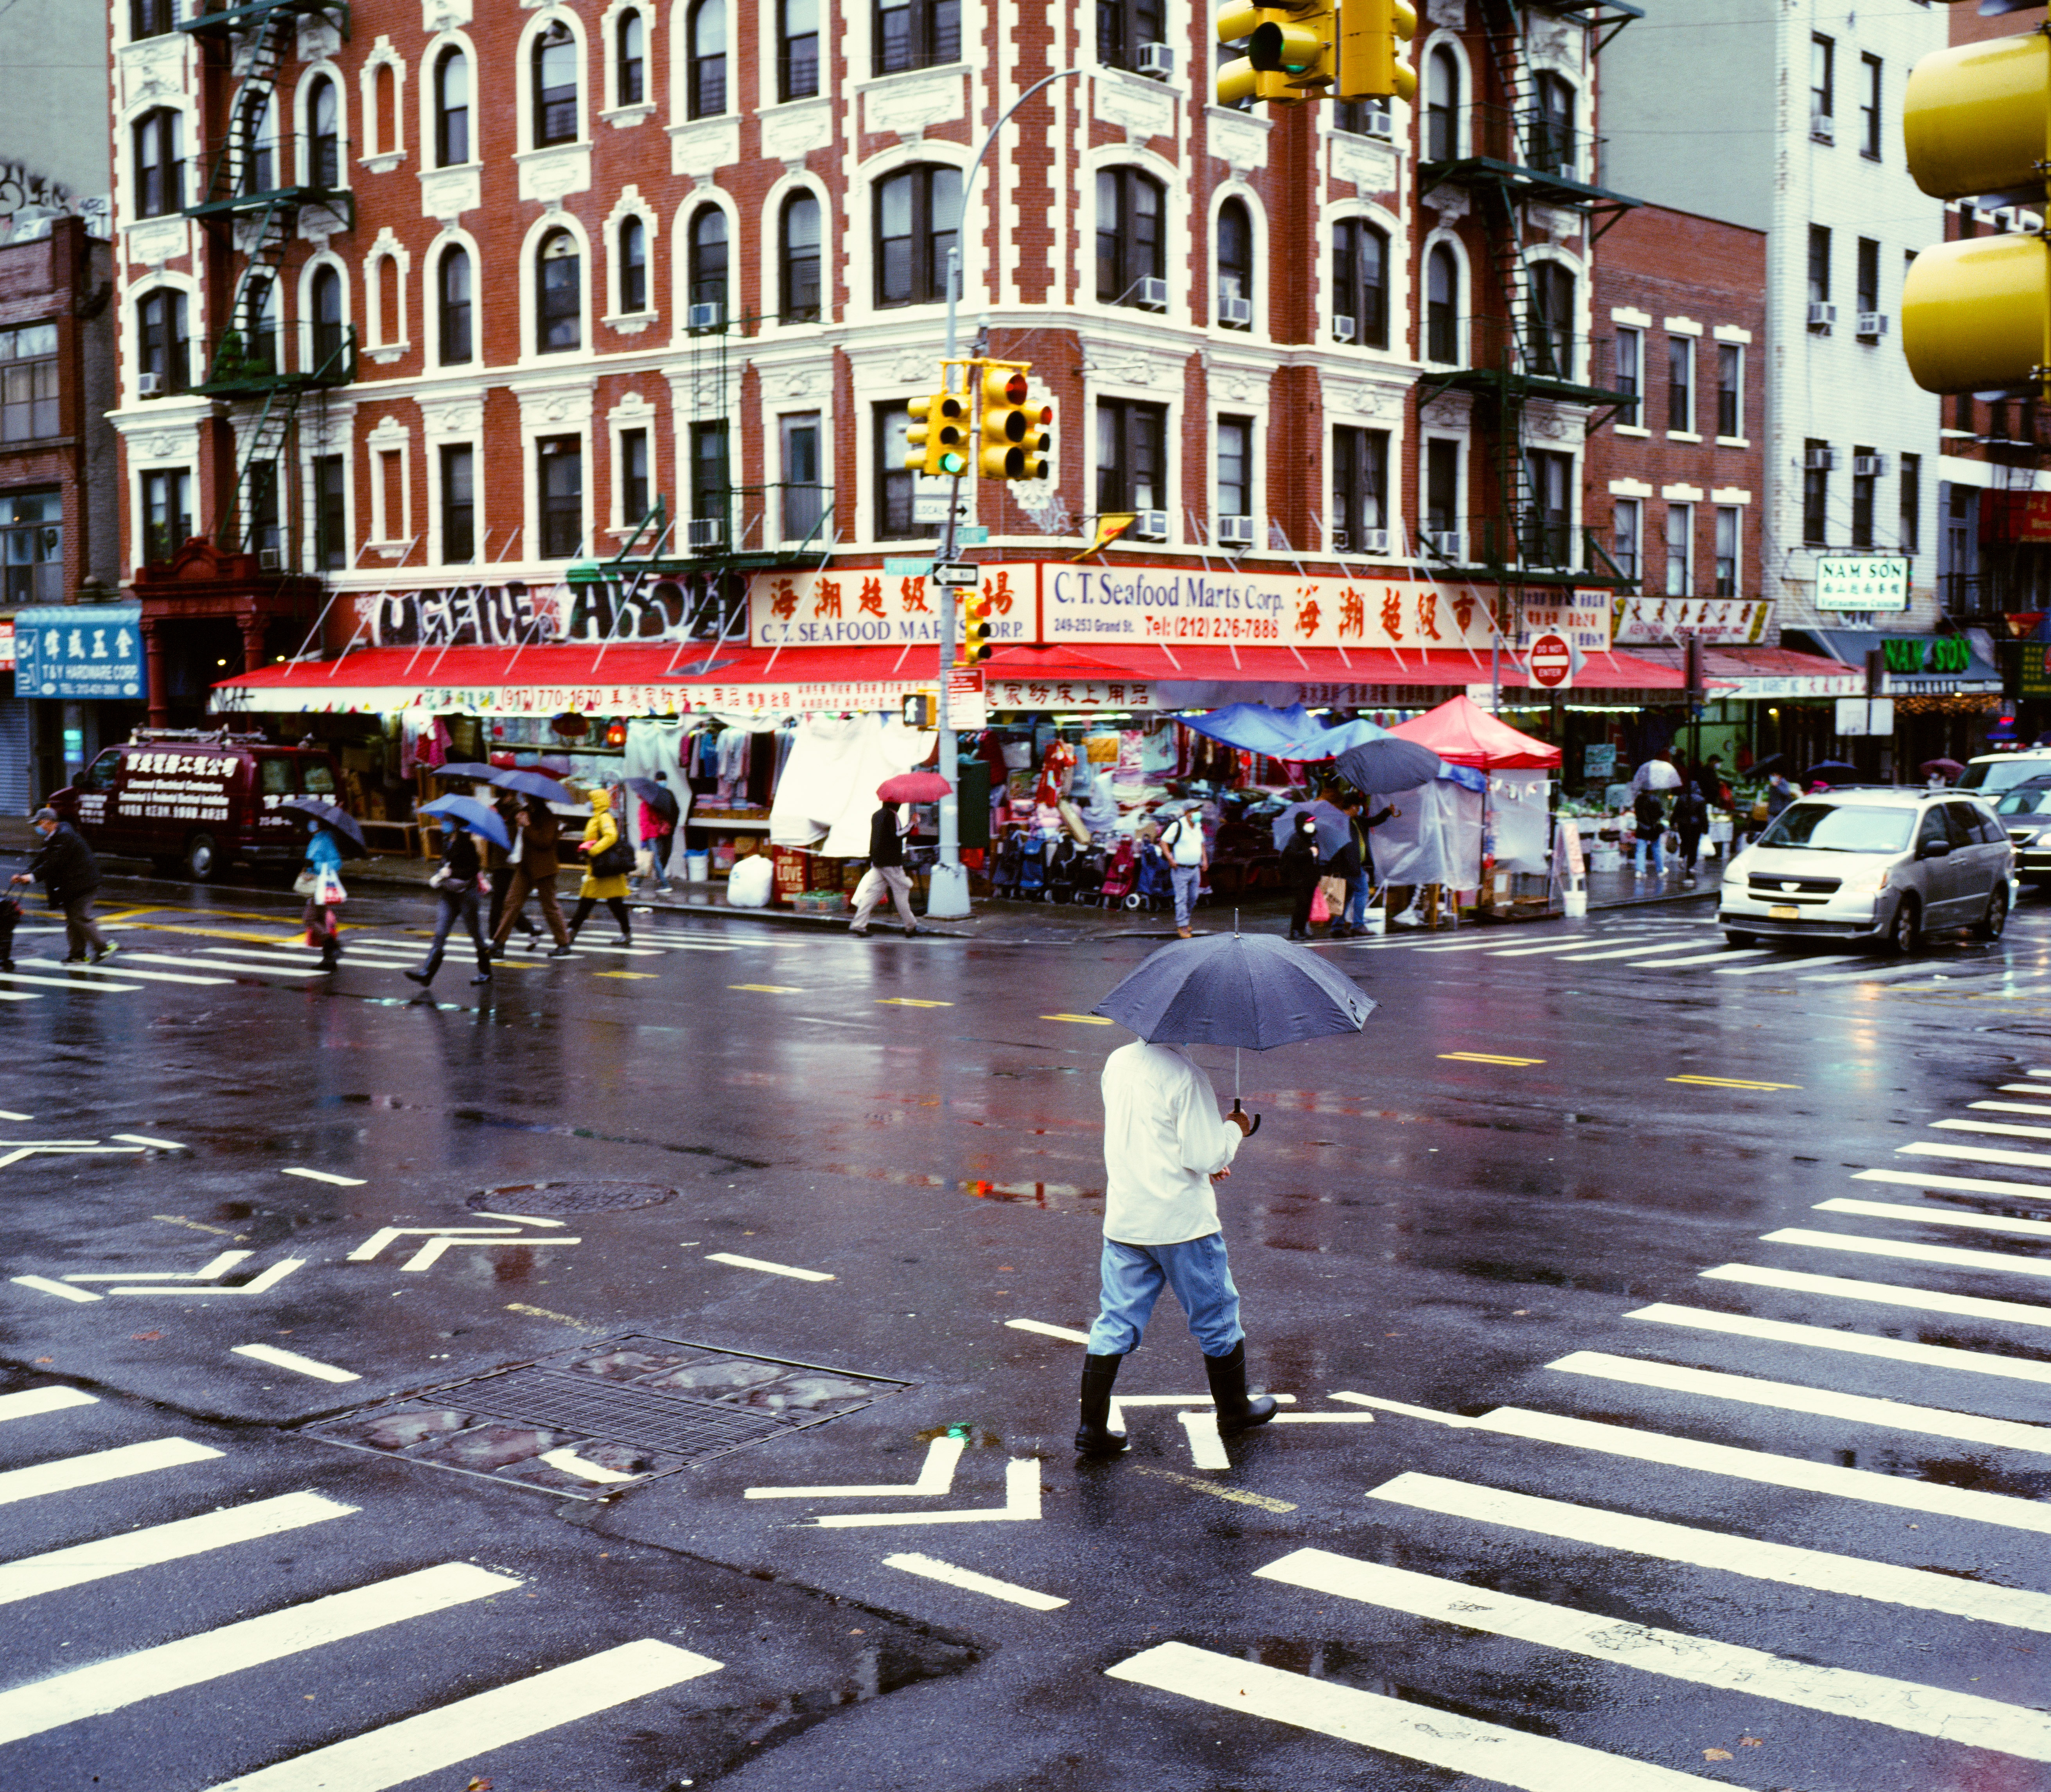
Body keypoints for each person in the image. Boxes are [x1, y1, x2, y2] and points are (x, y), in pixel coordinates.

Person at [1074, 1037, 1275, 1458]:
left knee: (1116, 1319)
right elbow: (1204, 1154)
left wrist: (1206, 1161)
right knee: (1217, 1316)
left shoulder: (1118, 1060)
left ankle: (1092, 1426)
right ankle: (1234, 1409)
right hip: (1182, 1225)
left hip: (1128, 1217)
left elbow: (1150, 1137)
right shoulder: (1186, 1076)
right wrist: (1232, 1132)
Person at [11, 807, 113, 964]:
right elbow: (42, 859)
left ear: (47, 822)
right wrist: (24, 873)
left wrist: (31, 877)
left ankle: (104, 947)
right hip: (73, 885)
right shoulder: (54, 836)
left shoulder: (64, 837)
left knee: (79, 916)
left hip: (84, 883)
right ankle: (77, 955)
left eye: (38, 824)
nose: (37, 827)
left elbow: (54, 863)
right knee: (73, 919)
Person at [405, 817, 492, 988]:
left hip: (467, 894)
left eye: (447, 820)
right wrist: (439, 875)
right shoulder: (447, 841)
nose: (444, 823)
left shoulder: (468, 844)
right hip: (449, 894)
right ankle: (427, 973)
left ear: (457, 824)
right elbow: (443, 864)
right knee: (440, 932)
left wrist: (451, 872)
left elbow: (473, 869)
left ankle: (485, 971)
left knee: (475, 934)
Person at [491, 796, 573, 958]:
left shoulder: (547, 816)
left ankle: (563, 943)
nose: (526, 798)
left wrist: (528, 825)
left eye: (528, 796)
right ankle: (499, 943)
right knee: (511, 903)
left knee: (550, 906)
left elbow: (545, 842)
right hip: (525, 867)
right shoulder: (524, 812)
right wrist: (516, 823)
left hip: (544, 869)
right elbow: (516, 839)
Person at [568, 787, 634, 944]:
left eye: (591, 800)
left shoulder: (604, 818)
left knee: (588, 902)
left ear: (597, 802)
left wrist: (593, 851)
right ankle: (627, 933)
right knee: (612, 902)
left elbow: (611, 836)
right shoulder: (597, 818)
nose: (589, 803)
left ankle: (571, 931)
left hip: (603, 869)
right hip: (601, 869)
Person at [1327, 793, 1397, 937]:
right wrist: (1338, 867)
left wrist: (1387, 812)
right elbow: (1335, 846)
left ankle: (1338, 927)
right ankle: (1358, 925)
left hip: (1353, 865)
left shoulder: (1356, 820)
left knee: (1346, 896)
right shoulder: (1341, 822)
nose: (1359, 809)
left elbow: (1372, 822)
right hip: (1349, 866)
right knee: (1362, 891)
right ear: (1353, 807)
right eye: (1358, 807)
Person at [851, 798, 920, 937]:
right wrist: (912, 824)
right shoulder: (892, 815)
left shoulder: (877, 815)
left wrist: (873, 858)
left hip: (878, 861)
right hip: (891, 862)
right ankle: (911, 926)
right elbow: (897, 835)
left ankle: (859, 925)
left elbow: (875, 838)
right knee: (902, 890)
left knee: (873, 893)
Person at [485, 789, 539, 950]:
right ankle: (532, 930)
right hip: (498, 861)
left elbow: (515, 836)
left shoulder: (518, 810)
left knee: (499, 904)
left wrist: (497, 821)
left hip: (510, 863)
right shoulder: (497, 807)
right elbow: (491, 836)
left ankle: (495, 941)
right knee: (506, 904)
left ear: (509, 792)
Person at [301, 820, 346, 972]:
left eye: (315, 821)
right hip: (315, 883)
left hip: (321, 885)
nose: (311, 823)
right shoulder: (317, 838)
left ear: (321, 824)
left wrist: (314, 866)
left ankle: (334, 947)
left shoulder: (326, 839)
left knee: (310, 919)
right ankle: (329, 960)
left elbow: (336, 863)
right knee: (320, 920)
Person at [1160, 807, 1206, 939]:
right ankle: (1182, 925)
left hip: (1195, 868)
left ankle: (1185, 920)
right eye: (1194, 810)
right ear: (1187, 813)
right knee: (1182, 898)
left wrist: (1205, 860)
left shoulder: (1198, 826)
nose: (1197, 813)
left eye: (1198, 810)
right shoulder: (1177, 826)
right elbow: (1163, 842)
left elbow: (1201, 844)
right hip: (1180, 869)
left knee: (1193, 897)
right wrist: (1170, 858)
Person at [1281, 812, 1322, 940]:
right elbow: (1293, 856)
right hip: (1299, 878)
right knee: (1301, 904)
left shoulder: (1312, 838)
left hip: (1311, 878)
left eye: (1311, 823)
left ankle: (1303, 929)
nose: (1310, 826)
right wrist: (1310, 853)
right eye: (1307, 823)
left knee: (1308, 905)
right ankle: (1295, 931)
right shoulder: (1295, 839)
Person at [634, 773, 676, 895]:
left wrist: (643, 840)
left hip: (649, 836)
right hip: (654, 835)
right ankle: (636, 883)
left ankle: (665, 884)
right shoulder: (651, 805)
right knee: (649, 859)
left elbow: (645, 825)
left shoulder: (644, 806)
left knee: (653, 860)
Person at [1671, 782, 1709, 886]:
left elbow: (1676, 812)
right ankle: (1691, 865)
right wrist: (1706, 828)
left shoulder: (1682, 798)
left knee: (1684, 842)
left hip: (1683, 824)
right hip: (1696, 826)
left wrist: (1672, 823)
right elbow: (1703, 816)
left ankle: (1682, 857)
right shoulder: (1701, 800)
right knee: (1694, 845)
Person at [1632, 784, 1667, 880]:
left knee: (1641, 850)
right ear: (1651, 790)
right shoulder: (1655, 800)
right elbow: (1661, 813)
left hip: (1641, 827)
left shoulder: (1638, 800)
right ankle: (1661, 870)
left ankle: (1640, 871)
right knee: (1656, 849)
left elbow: (1637, 813)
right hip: (1653, 828)